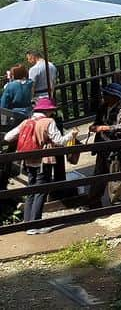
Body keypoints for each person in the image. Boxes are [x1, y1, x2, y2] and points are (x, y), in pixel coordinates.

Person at [4, 96, 71, 233]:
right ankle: (35, 225)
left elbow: (8, 137)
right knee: (41, 191)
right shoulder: (48, 121)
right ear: (48, 110)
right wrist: (71, 135)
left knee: (31, 190)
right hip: (43, 160)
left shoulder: (27, 121)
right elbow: (59, 141)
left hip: (28, 160)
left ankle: (27, 223)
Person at [86, 81, 121, 208]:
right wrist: (94, 126)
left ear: (114, 97)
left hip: (115, 143)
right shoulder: (103, 107)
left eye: (107, 94)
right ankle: (94, 200)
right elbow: (98, 121)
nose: (104, 96)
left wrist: (103, 128)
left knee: (115, 172)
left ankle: (115, 201)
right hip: (102, 143)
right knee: (99, 172)